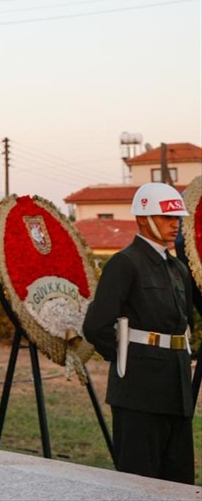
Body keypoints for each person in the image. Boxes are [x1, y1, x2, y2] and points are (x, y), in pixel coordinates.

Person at [83, 181, 193, 483]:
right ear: (143, 218)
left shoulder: (178, 269)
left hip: (177, 387)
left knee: (178, 480)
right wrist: (126, 360)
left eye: (177, 218)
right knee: (139, 481)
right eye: (167, 218)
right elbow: (95, 326)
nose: (175, 225)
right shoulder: (124, 264)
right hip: (138, 391)